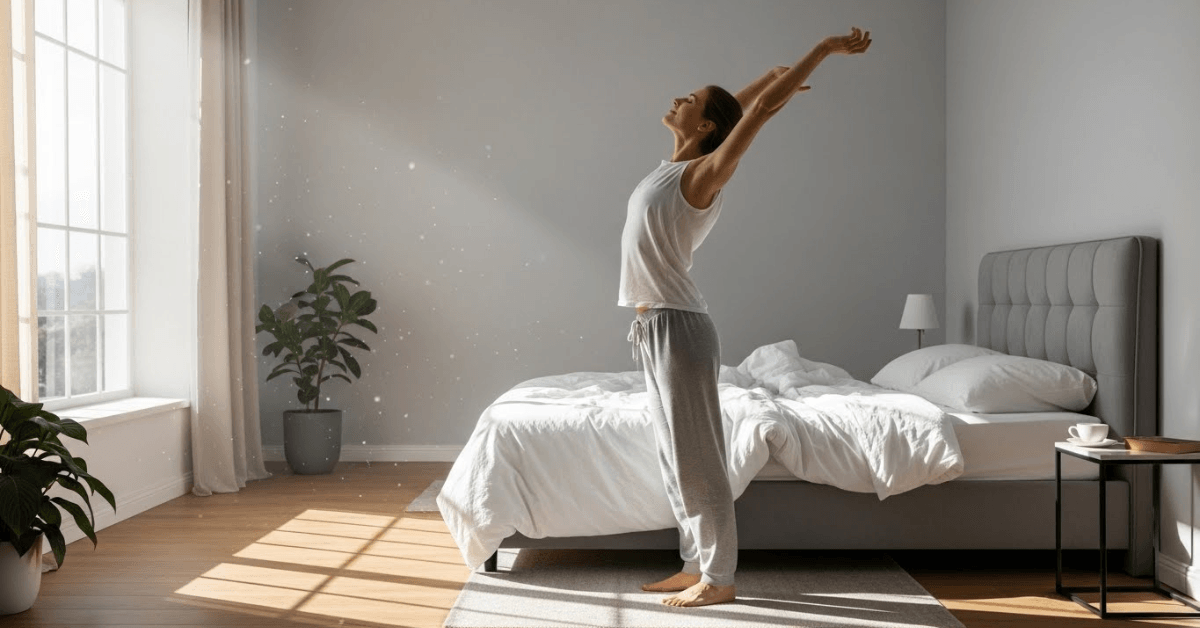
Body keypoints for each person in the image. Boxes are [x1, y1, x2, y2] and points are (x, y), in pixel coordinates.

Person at [617, 27, 872, 608]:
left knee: (698, 457)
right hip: (652, 328)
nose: (678, 99)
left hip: (679, 327)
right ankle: (694, 563)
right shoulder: (670, 167)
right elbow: (737, 106)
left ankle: (721, 578)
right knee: (673, 455)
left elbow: (754, 113)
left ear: (704, 127)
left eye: (690, 100)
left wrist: (823, 52)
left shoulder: (702, 177)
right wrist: (770, 77)